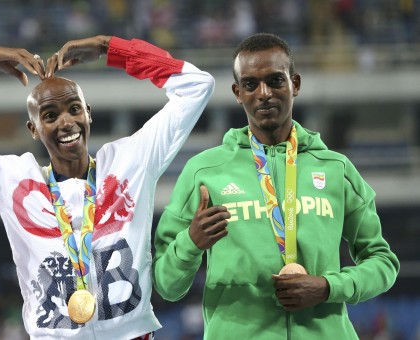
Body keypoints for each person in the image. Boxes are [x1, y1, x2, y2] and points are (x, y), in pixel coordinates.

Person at [0, 35, 214, 338]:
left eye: (74, 109)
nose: (66, 122)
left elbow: (196, 86)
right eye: (50, 116)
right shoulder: (12, 181)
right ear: (33, 129)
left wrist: (108, 47)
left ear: (88, 112)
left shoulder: (131, 163)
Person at [152, 32, 400, 339]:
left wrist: (328, 287)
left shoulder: (336, 169)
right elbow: (167, 285)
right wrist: (191, 243)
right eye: (251, 84)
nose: (264, 93)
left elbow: (383, 262)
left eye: (275, 80)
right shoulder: (204, 172)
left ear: (295, 84)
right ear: (237, 92)